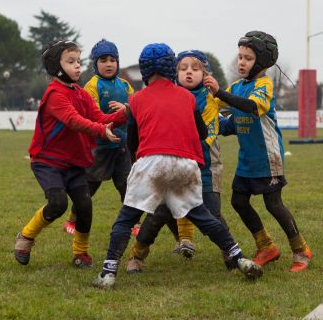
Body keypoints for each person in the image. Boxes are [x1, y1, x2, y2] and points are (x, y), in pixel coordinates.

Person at [93, 43, 263, 288]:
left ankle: (108, 273)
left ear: (144, 69)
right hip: (185, 164)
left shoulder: (137, 99)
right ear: (171, 67)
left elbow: (133, 140)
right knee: (203, 217)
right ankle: (240, 258)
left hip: (150, 163)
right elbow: (202, 131)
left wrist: (137, 166)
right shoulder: (185, 96)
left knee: (127, 218)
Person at [203, 31, 312, 273]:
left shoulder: (264, 85)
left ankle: (301, 249)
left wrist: (219, 93)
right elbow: (220, 113)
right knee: (238, 201)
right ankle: (266, 247)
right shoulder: (237, 87)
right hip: (247, 160)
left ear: (261, 63)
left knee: (273, 204)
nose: (241, 62)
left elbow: (251, 108)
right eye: (240, 57)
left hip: (267, 158)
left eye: (248, 58)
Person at [13, 40, 128, 268]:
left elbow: (100, 117)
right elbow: (74, 121)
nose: (78, 67)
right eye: (71, 62)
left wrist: (126, 114)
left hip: (75, 162)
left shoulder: (81, 93)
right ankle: (26, 237)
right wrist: (102, 132)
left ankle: (80, 253)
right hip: (48, 162)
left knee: (85, 207)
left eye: (78, 61)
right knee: (57, 204)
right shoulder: (55, 94)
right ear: (57, 67)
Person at [125, 49, 230, 273]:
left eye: (195, 68)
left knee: (213, 213)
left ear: (206, 73)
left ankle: (230, 253)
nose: (188, 73)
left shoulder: (214, 96)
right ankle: (137, 255)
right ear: (173, 72)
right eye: (183, 69)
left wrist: (221, 93)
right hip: (174, 165)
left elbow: (234, 110)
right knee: (157, 214)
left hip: (207, 166)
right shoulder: (170, 96)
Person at [62, 39, 136, 236]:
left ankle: (132, 223)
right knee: (88, 187)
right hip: (100, 147)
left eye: (113, 59)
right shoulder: (91, 86)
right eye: (103, 60)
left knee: (127, 187)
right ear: (95, 63)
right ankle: (72, 219)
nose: (109, 64)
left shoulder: (126, 85)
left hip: (122, 146)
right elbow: (91, 114)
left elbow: (137, 107)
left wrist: (129, 109)